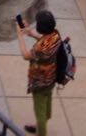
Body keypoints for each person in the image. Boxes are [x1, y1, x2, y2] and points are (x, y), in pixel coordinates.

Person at [15, 8, 61, 136]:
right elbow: (44, 42)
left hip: (40, 82)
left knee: (39, 109)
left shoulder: (40, 49)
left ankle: (41, 129)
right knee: (47, 102)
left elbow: (26, 55)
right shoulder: (56, 35)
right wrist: (30, 33)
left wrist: (20, 35)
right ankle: (43, 121)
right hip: (51, 77)